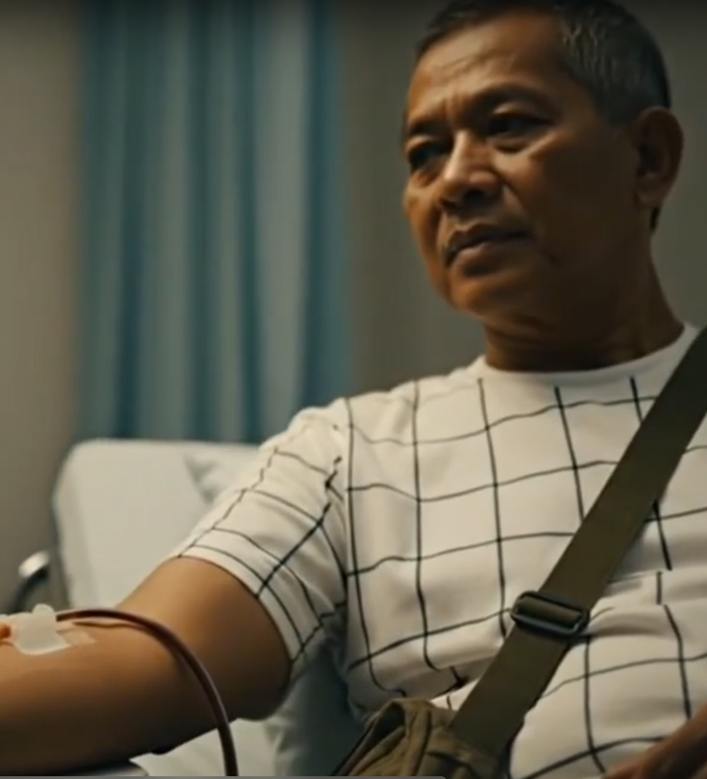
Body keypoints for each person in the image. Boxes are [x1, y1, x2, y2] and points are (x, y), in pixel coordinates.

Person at [1, 0, 706, 776]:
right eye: (423, 155)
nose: (454, 180)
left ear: (648, 158)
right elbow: (150, 659)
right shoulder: (350, 452)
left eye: (508, 127)